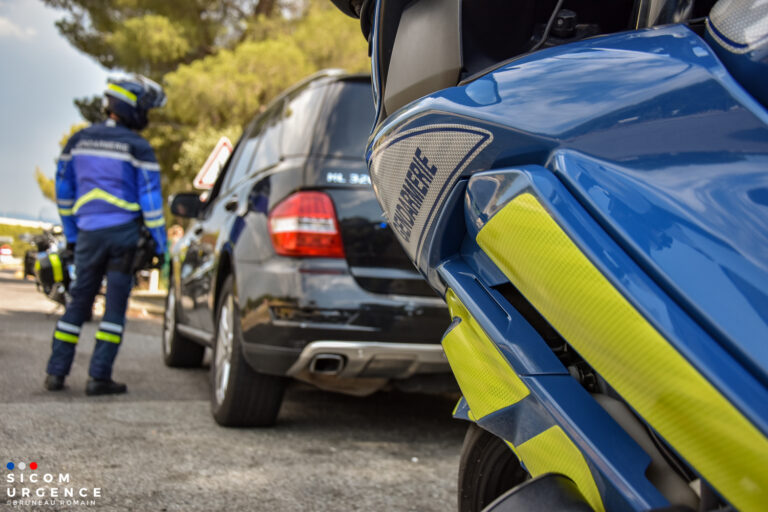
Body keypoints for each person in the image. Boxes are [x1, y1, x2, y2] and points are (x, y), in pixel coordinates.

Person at [44, 75, 167, 395]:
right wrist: (161, 243)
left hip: (87, 235)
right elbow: (151, 200)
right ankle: (98, 377)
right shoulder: (138, 147)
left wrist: (72, 235)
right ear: (131, 108)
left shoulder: (78, 141)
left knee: (78, 303)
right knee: (113, 310)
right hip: (124, 236)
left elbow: (64, 191)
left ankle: (56, 373)